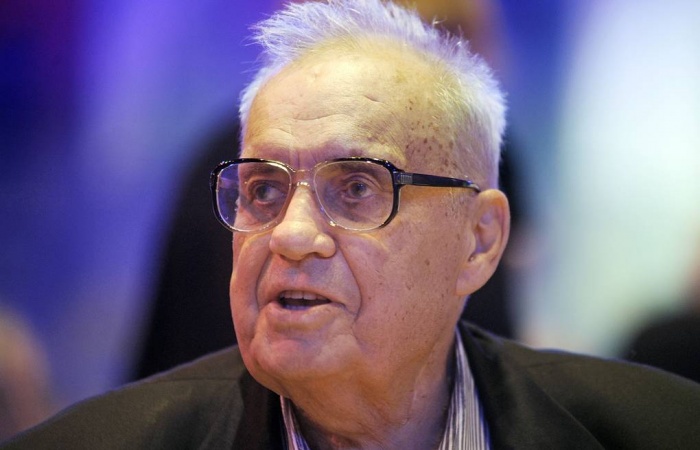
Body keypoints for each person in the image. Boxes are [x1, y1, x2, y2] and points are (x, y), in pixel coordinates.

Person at [4, 0, 700, 448]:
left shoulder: (663, 429)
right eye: (263, 190)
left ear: (479, 240)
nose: (290, 234)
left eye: (358, 188)